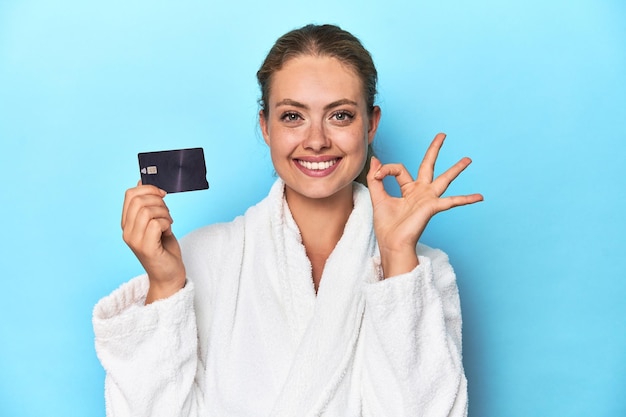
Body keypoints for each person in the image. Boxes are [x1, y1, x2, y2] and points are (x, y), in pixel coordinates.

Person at [93, 23, 483, 417]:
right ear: (265, 126)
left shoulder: (425, 274)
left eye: (341, 116)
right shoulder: (204, 258)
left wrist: (398, 258)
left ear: (371, 124)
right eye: (293, 116)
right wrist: (164, 285)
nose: (316, 140)